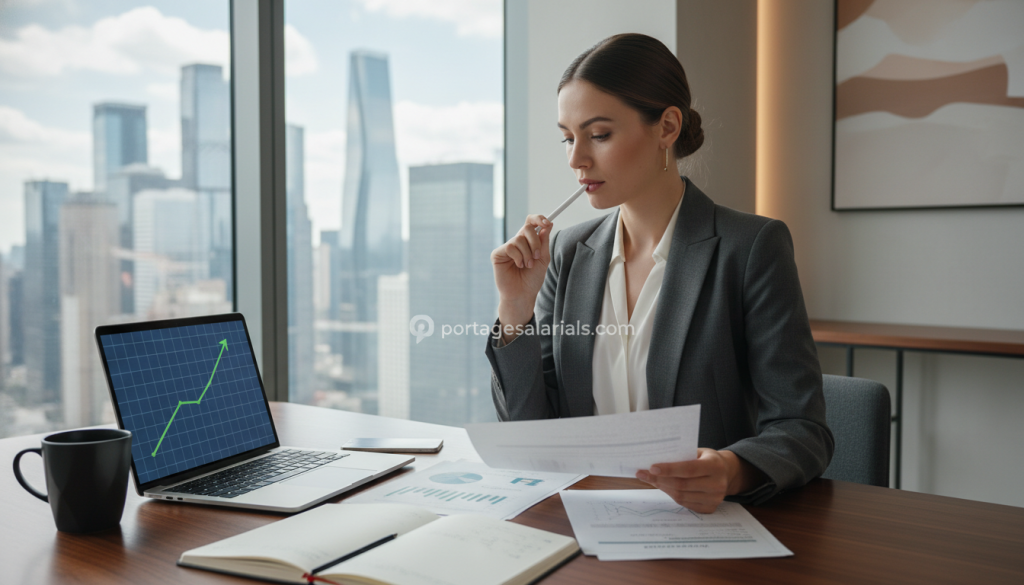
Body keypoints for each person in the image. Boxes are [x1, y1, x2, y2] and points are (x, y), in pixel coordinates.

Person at [485, 33, 833, 513]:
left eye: (599, 134)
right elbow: (529, 433)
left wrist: (731, 469)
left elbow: (803, 429)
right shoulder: (567, 251)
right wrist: (515, 308)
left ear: (667, 126)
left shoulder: (751, 248)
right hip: (583, 522)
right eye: (568, 138)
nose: (575, 158)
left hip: (700, 530)